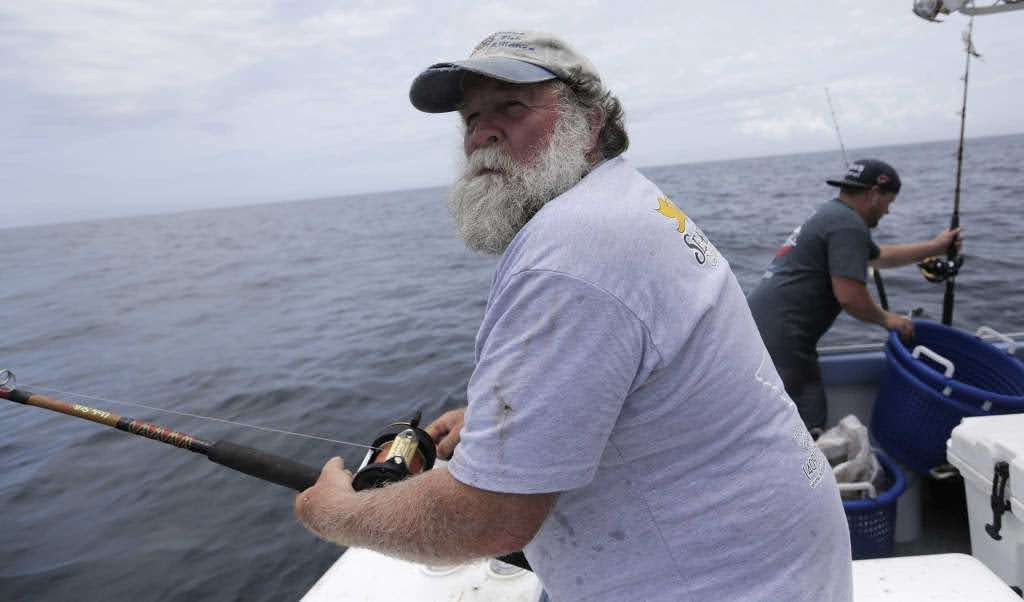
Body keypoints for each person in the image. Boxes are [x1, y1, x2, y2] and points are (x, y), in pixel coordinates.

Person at [294, 31, 853, 601]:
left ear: (590, 125)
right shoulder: (623, 202)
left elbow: (490, 518)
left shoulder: (570, 254)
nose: (483, 133)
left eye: (511, 107)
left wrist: (338, 513)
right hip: (775, 564)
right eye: (470, 118)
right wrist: (519, 418)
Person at [747, 159, 962, 431]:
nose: (888, 211)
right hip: (783, 339)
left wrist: (936, 246)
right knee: (807, 419)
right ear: (873, 194)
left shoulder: (833, 214)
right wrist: (889, 320)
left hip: (761, 330)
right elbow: (850, 296)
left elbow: (879, 257)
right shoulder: (848, 225)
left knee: (786, 418)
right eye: (889, 201)